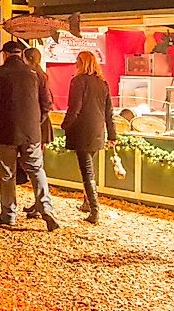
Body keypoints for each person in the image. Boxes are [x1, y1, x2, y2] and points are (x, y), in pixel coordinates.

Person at [0, 40, 60, 231]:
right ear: (21, 54)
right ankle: (46, 208)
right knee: (36, 169)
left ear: (4, 54)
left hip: (6, 131)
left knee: (7, 173)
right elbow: (47, 102)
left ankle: (8, 214)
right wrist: (36, 121)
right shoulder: (35, 74)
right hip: (31, 132)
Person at [60, 51, 117, 224]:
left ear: (81, 63)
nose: (75, 63)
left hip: (82, 130)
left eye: (77, 61)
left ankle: (94, 210)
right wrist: (112, 134)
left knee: (87, 170)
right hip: (97, 131)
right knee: (89, 165)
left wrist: (65, 124)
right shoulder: (102, 82)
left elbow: (74, 107)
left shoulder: (78, 81)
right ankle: (86, 203)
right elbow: (109, 112)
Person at [21, 47, 54, 218]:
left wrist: (37, 119)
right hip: (39, 125)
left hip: (36, 126)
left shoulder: (34, 76)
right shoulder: (41, 74)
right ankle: (39, 203)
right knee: (36, 166)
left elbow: (47, 102)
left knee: (36, 166)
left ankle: (41, 204)